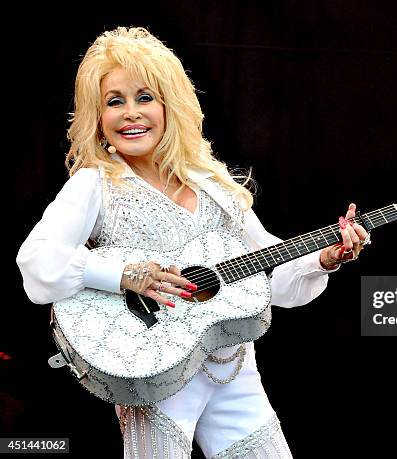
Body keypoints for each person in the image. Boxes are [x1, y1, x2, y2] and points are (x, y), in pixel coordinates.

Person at [16, 26, 370, 458]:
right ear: (97, 116)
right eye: (115, 101)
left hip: (234, 373)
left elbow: (272, 278)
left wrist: (324, 258)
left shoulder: (213, 185)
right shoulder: (95, 184)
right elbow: (37, 262)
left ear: (170, 105)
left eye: (145, 97)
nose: (131, 113)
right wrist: (124, 276)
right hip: (152, 376)